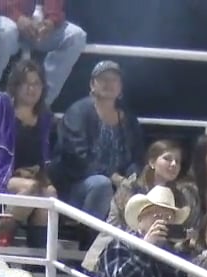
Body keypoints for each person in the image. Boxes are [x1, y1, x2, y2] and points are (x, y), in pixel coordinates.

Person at [0, 57, 56, 243]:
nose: (31, 89)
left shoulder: (45, 116)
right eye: (26, 84)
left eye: (36, 84)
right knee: (30, 188)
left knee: (50, 193)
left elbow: (43, 157)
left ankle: (38, 262)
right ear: (15, 85)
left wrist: (40, 174)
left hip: (31, 178)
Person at [53, 61, 142, 223]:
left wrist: (130, 180)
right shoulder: (78, 112)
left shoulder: (129, 119)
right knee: (102, 184)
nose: (109, 84)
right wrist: (112, 176)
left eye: (114, 80)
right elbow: (76, 157)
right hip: (79, 184)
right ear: (92, 84)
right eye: (103, 79)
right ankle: (89, 239)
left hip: (119, 185)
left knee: (141, 190)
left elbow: (136, 157)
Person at [0, 0, 86, 109]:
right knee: (6, 31)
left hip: (30, 23)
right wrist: (17, 17)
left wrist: (50, 21)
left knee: (75, 37)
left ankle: (36, 105)